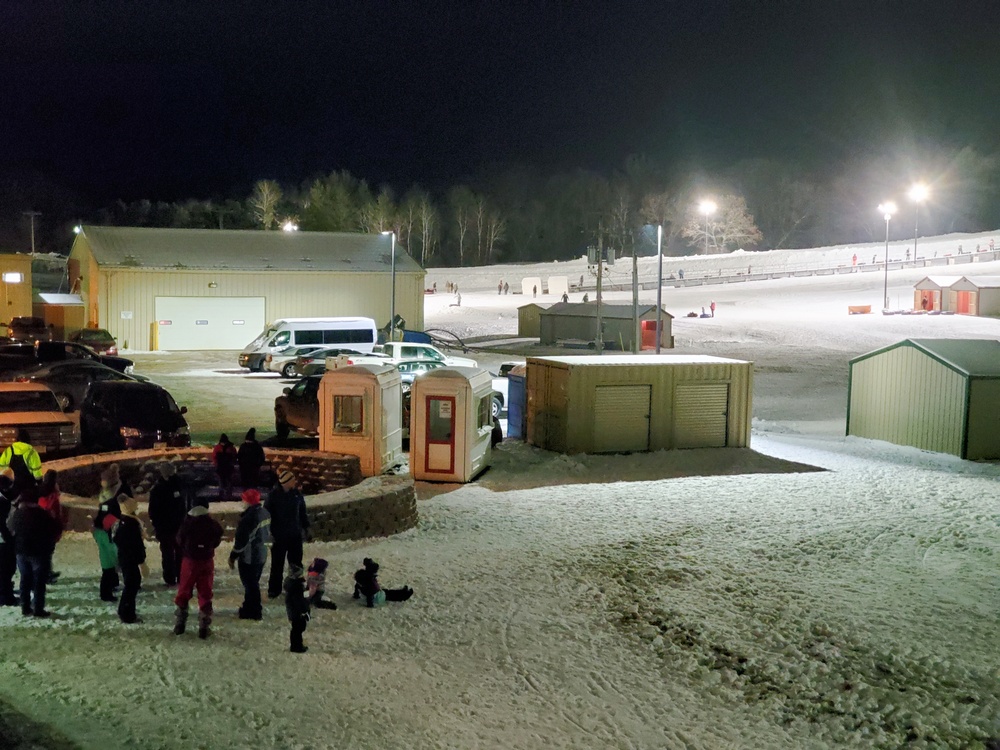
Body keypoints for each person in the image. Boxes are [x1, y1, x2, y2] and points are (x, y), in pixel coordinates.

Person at [173, 496, 224, 639]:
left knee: (184, 590)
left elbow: (179, 539)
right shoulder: (212, 523)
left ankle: (180, 623)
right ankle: (204, 625)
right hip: (206, 561)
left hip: (189, 561)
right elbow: (218, 537)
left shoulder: (187, 523)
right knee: (205, 591)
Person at [9, 491, 60, 618]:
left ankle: (25, 607)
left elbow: (10, 528)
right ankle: (38, 609)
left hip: (21, 551)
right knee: (38, 582)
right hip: (38, 552)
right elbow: (54, 529)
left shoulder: (17, 514)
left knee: (25, 579)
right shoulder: (42, 515)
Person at [265, 469, 310, 599]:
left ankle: (296, 586)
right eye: (292, 480)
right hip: (279, 536)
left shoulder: (296, 494)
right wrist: (268, 532)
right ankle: (274, 589)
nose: (295, 482)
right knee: (277, 564)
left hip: (295, 534)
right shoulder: (273, 496)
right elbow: (267, 516)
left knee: (296, 563)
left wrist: (306, 527)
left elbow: (302, 512)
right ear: (286, 482)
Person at [228, 488, 270, 620]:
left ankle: (254, 610)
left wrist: (233, 556)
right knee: (253, 582)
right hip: (262, 553)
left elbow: (242, 541)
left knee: (250, 584)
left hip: (250, 556)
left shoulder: (249, 518)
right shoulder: (265, 512)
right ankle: (249, 606)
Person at [94, 464, 130, 602]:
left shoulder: (120, 491)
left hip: (110, 530)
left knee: (113, 560)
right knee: (111, 562)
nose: (102, 483)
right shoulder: (106, 493)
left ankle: (110, 587)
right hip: (106, 531)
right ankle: (108, 589)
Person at [147, 461, 188, 586]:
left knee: (175, 552)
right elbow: (153, 510)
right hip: (166, 527)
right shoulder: (160, 488)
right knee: (169, 553)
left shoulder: (177, 485)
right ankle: (171, 576)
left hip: (175, 526)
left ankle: (176, 576)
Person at [112, 494, 148, 624]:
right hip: (130, 559)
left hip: (125, 558)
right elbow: (136, 545)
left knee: (131, 584)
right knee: (132, 585)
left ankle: (126, 611)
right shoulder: (131, 525)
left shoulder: (122, 522)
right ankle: (127, 613)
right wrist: (141, 561)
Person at [36, 470, 64, 584]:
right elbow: (54, 512)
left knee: (46, 553)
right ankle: (46, 575)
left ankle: (48, 572)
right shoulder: (52, 495)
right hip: (49, 526)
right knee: (47, 553)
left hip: (42, 526)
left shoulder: (41, 491)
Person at [0, 429, 43, 501]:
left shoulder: (8, 451)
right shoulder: (32, 452)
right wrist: (40, 485)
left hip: (13, 488)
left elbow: (1, 468)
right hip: (28, 488)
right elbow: (37, 474)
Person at [284, 565, 310, 653]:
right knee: (298, 629)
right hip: (297, 613)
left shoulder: (291, 585)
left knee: (296, 629)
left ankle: (296, 645)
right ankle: (297, 646)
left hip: (292, 612)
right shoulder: (297, 587)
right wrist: (304, 611)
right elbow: (300, 601)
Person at [0, 477, 17, 606]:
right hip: (4, 542)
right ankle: (6, 596)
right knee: (7, 568)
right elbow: (5, 524)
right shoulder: (4, 503)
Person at [211, 434, 238, 500]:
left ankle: (222, 495)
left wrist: (216, 464)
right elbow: (235, 457)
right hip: (229, 468)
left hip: (220, 468)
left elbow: (214, 458)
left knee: (221, 482)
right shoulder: (231, 448)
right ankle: (229, 495)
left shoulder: (217, 447)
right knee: (229, 482)